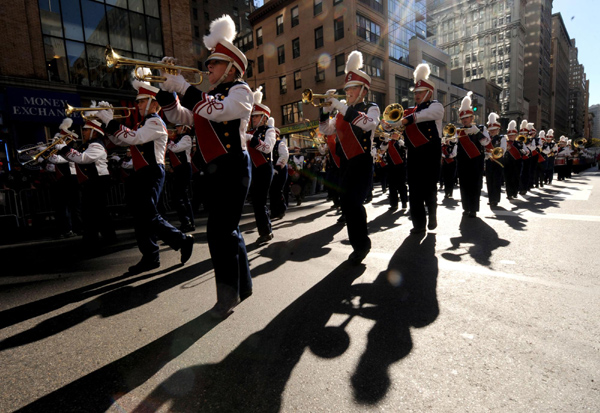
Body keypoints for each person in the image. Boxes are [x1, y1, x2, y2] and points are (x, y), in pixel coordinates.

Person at [155, 14, 253, 318]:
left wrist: (184, 86)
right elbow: (179, 117)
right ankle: (243, 285)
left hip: (234, 167)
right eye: (208, 63)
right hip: (215, 170)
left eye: (214, 63)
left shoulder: (241, 91)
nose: (207, 67)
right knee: (228, 230)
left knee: (218, 233)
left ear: (232, 68)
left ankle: (227, 298)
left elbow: (218, 111)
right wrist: (166, 88)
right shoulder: (205, 97)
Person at [95, 81, 194, 275]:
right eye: (138, 102)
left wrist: (111, 121)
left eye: (141, 102)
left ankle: (181, 240)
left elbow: (134, 138)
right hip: (141, 173)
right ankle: (150, 256)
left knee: (148, 214)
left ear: (154, 103)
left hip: (152, 172)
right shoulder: (143, 123)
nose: (137, 106)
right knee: (140, 218)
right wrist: (106, 123)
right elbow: (120, 139)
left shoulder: (155, 121)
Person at [319, 51, 379, 264]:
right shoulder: (340, 112)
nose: (349, 92)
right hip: (345, 163)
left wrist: (340, 107)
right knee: (347, 204)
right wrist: (325, 110)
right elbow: (326, 130)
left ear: (363, 90)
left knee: (354, 203)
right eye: (347, 89)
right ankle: (359, 244)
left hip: (362, 162)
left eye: (353, 88)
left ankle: (361, 246)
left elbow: (369, 124)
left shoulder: (372, 107)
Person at [383, 63, 443, 233]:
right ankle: (418, 225)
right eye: (415, 93)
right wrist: (389, 125)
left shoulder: (436, 106)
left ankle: (432, 214)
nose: (416, 95)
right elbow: (399, 124)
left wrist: (407, 119)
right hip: (414, 155)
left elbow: (428, 115)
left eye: (419, 92)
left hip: (431, 155)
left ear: (429, 93)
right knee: (415, 191)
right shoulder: (409, 111)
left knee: (429, 189)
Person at [57, 118, 116, 245]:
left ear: (94, 132)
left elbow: (83, 158)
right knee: (92, 211)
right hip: (92, 181)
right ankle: (95, 237)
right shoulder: (88, 145)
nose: (83, 132)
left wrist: (65, 148)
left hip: (98, 180)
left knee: (97, 211)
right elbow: (74, 158)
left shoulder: (96, 145)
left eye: (86, 130)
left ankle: (103, 238)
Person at [246, 86, 276, 243]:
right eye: (253, 117)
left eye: (257, 117)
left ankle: (266, 232)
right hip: (254, 169)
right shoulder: (251, 132)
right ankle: (265, 230)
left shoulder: (269, 131)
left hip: (264, 168)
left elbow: (268, 147)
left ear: (264, 117)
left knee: (260, 201)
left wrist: (250, 139)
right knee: (257, 202)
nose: (254, 119)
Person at [454, 92, 490, 218]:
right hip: (463, 161)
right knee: (464, 185)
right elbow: (455, 148)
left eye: (467, 118)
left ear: (471, 118)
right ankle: (466, 207)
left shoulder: (481, 128)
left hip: (476, 161)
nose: (464, 120)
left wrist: (477, 133)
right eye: (463, 119)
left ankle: (473, 209)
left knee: (474, 185)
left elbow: (487, 142)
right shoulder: (458, 131)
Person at [167, 123, 195, 232]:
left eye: (178, 127)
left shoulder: (186, 138)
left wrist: (168, 140)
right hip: (180, 169)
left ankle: (187, 222)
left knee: (181, 197)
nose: (176, 129)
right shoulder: (178, 138)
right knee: (179, 197)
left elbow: (176, 148)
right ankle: (186, 221)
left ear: (184, 128)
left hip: (184, 168)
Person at [484, 112, 506, 208]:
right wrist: (488, 156)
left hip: (497, 162)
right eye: (491, 130)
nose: (493, 131)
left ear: (498, 130)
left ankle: (495, 199)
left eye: (494, 130)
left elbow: (503, 149)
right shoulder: (486, 139)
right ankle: (490, 198)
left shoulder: (502, 138)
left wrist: (495, 156)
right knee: (489, 180)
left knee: (496, 181)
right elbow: (484, 149)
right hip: (489, 160)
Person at [382, 133, 408, 210]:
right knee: (392, 187)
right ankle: (394, 204)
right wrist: (386, 140)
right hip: (391, 167)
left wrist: (402, 143)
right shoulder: (388, 143)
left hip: (401, 167)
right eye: (393, 134)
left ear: (399, 135)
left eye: (396, 134)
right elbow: (382, 151)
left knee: (402, 186)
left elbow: (406, 149)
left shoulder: (401, 142)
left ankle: (404, 203)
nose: (394, 136)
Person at [270, 127, 289, 220]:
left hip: (280, 170)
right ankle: (274, 211)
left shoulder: (280, 144)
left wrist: (277, 167)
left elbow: (284, 155)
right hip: (272, 170)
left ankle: (281, 210)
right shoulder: (270, 144)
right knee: (272, 191)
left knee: (278, 190)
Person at [503, 120, 524, 200]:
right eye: (509, 135)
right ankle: (509, 193)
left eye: (512, 135)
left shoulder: (519, 143)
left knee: (515, 178)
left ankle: (514, 192)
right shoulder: (505, 142)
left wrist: (523, 151)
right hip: (507, 163)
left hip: (517, 163)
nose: (511, 136)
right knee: (508, 178)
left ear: (515, 135)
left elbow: (524, 152)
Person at [441, 133, 458, 199]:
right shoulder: (443, 146)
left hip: (452, 163)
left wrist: (446, 156)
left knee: (451, 178)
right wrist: (444, 156)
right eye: (446, 139)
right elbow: (441, 153)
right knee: (445, 178)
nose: (447, 140)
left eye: (448, 139)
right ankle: (446, 192)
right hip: (445, 163)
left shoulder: (454, 146)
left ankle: (450, 192)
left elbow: (454, 154)